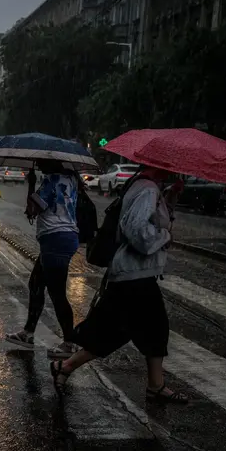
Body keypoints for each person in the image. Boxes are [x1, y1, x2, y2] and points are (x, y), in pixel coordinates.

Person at [50, 167, 189, 404]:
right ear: (160, 165)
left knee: (148, 329)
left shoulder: (148, 188)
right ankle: (65, 366)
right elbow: (138, 233)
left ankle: (155, 386)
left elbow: (151, 221)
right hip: (133, 274)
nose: (176, 169)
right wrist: (166, 237)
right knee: (119, 331)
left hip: (135, 274)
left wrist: (170, 201)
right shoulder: (147, 189)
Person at [5, 159, 79, 358]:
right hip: (64, 238)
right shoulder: (71, 178)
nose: (37, 165)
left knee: (57, 294)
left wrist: (30, 183)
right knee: (36, 284)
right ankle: (28, 333)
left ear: (49, 162)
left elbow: (32, 209)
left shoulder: (50, 180)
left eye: (40, 162)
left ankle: (70, 343)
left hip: (56, 240)